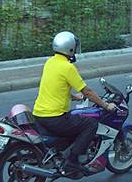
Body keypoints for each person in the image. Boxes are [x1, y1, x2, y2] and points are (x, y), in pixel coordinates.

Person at [32, 31, 116, 174]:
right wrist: (106, 105)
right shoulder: (68, 67)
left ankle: (63, 154)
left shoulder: (50, 62)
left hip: (39, 116)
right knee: (90, 124)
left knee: (74, 120)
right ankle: (72, 161)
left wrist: (74, 97)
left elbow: (55, 88)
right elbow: (87, 92)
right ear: (70, 48)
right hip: (55, 118)